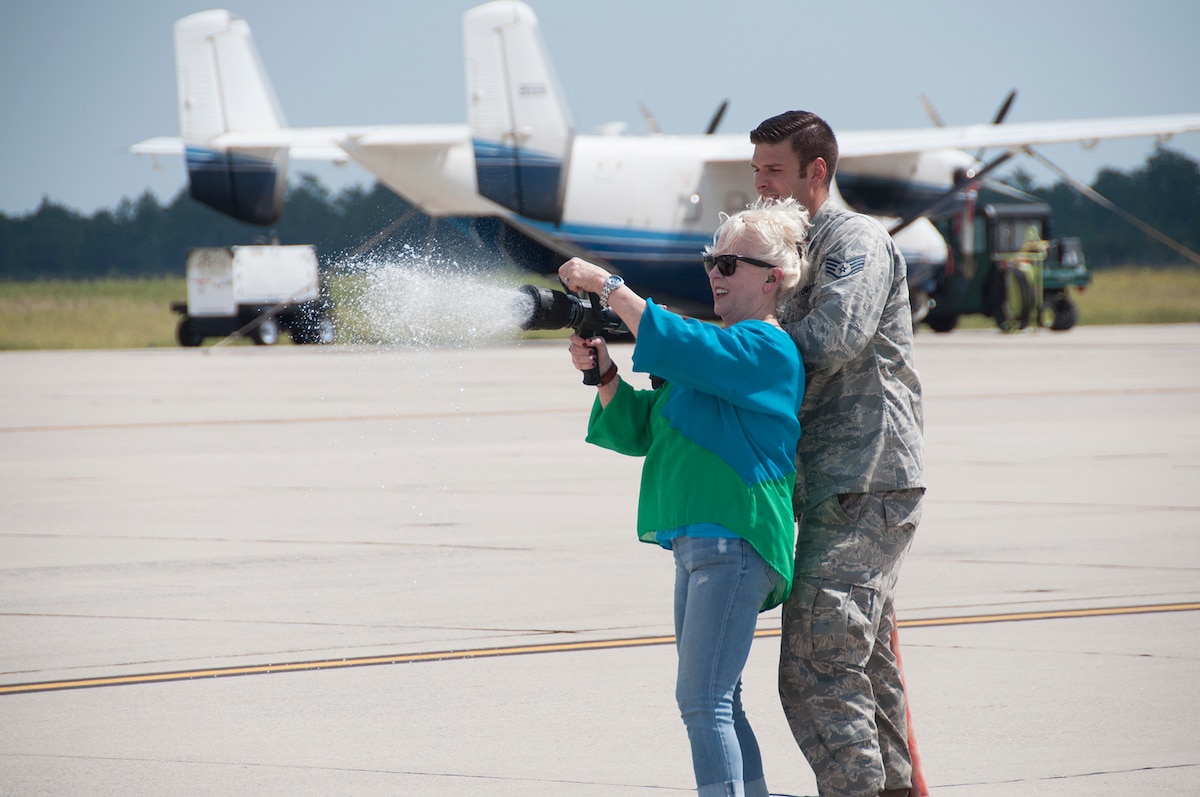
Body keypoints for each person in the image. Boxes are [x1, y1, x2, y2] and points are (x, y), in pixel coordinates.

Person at [559, 199, 812, 797]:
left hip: (734, 537)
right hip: (702, 543)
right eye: (710, 262)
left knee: (702, 699)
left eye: (730, 264)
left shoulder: (766, 349)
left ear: (772, 277)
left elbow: (687, 348)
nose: (714, 275)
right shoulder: (715, 358)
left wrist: (610, 286)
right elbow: (646, 429)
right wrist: (605, 377)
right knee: (721, 698)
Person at [749, 111, 926, 797]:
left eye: (773, 170)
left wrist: (740, 343)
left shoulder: (854, 241)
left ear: (815, 172)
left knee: (818, 665)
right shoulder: (788, 246)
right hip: (833, 487)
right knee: (867, 671)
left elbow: (832, 336)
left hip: (866, 479)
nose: (760, 183)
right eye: (756, 168)